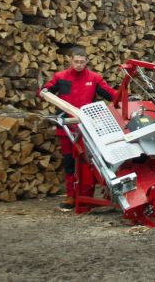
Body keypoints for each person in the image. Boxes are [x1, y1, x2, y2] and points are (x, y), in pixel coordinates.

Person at [39, 47, 117, 210]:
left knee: (89, 162)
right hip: (66, 127)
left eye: (82, 62)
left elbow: (110, 94)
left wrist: (124, 97)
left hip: (87, 128)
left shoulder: (94, 78)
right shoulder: (60, 77)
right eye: (76, 62)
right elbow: (46, 91)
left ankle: (87, 196)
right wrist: (44, 91)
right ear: (70, 61)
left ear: (86, 62)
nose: (79, 65)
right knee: (69, 162)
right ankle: (70, 196)